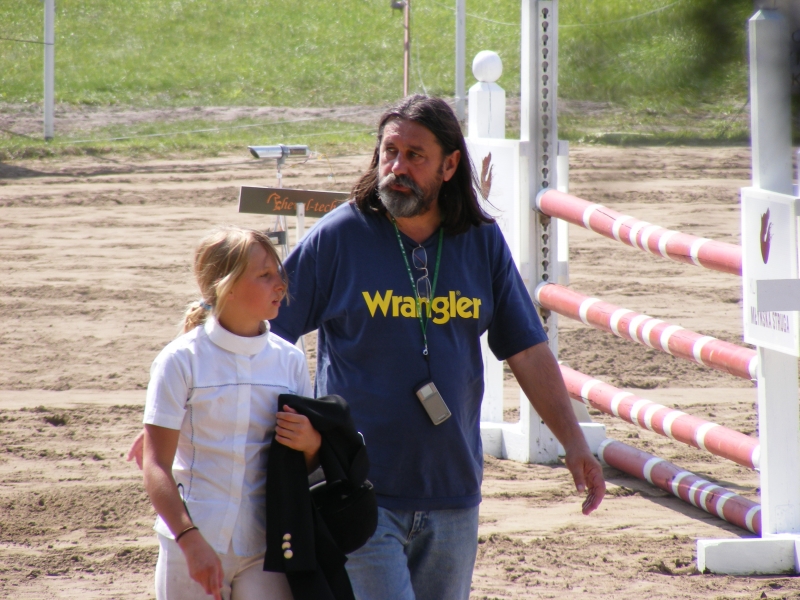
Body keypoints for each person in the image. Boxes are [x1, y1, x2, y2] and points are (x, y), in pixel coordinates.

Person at [130, 95, 605, 600]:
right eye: (389, 152)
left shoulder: (482, 242)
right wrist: (179, 408)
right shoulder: (342, 235)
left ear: (449, 166)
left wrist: (573, 441)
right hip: (357, 496)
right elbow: (256, 323)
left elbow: (527, 350)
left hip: (454, 494)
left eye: (415, 156)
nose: (397, 167)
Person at [141, 227, 320, 600]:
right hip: (193, 544)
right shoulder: (179, 360)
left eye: (278, 272)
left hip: (268, 547)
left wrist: (311, 444)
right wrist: (189, 539)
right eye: (264, 275)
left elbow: (303, 467)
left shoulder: (290, 360)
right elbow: (155, 465)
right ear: (227, 286)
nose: (280, 284)